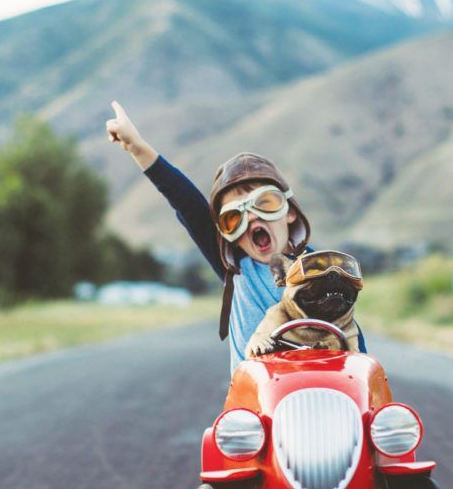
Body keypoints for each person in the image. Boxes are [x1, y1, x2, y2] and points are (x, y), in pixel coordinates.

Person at [105, 101, 365, 372]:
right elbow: (187, 203)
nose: (252, 218)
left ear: (289, 211)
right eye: (234, 218)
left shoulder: (321, 269)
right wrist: (137, 146)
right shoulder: (237, 267)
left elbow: (350, 335)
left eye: (265, 203)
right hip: (254, 404)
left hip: (319, 391)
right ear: (226, 233)